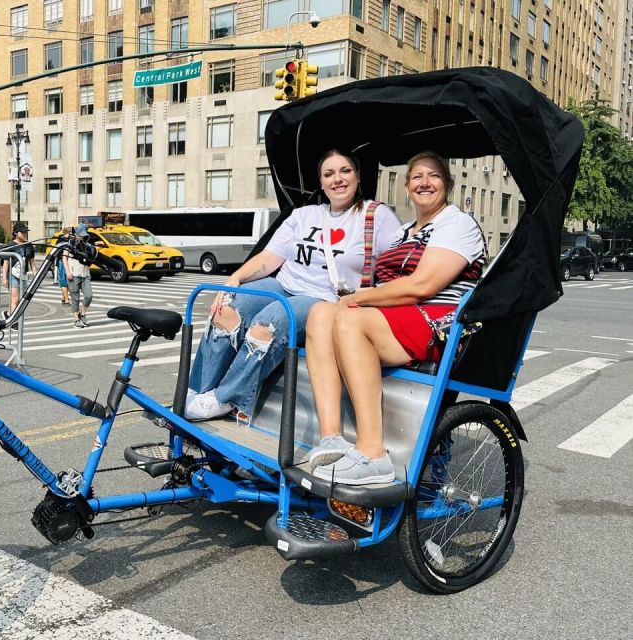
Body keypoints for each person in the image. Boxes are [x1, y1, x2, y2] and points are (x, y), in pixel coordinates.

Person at [305, 151, 487, 486]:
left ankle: (373, 453)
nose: (425, 183)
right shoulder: (405, 231)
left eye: (433, 176)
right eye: (417, 176)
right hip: (399, 316)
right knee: (320, 313)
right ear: (406, 187)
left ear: (448, 184)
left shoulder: (457, 224)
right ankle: (332, 438)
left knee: (349, 319)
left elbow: (421, 286)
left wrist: (357, 300)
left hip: (440, 321)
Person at [185, 149, 402, 423]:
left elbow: (398, 262)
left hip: (325, 299)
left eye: (345, 171)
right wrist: (234, 280)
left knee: (269, 322)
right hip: (283, 284)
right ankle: (195, 393)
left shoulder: (376, 216)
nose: (338, 179)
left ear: (358, 176)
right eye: (329, 174)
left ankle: (227, 398)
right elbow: (269, 257)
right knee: (227, 308)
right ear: (321, 183)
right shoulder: (304, 214)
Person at [1, 221, 36, 318]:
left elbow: (32, 261)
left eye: (26, 232)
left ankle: (8, 314)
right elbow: (6, 263)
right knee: (15, 299)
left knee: (21, 299)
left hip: (23, 275)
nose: (25, 234)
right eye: (22, 232)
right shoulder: (10, 245)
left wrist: (35, 274)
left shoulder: (29, 245)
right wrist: (4, 277)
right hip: (12, 275)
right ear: (16, 233)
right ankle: (13, 321)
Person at [63, 224, 94, 328]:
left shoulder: (87, 245)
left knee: (89, 295)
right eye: (81, 235)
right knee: (75, 298)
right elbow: (64, 258)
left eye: (84, 235)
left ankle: (83, 313)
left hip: (85, 274)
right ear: (76, 234)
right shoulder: (70, 244)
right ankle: (76, 319)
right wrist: (68, 272)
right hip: (74, 274)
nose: (82, 237)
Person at [54, 227, 72, 306]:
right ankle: (66, 300)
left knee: (63, 280)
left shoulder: (59, 240)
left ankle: (64, 298)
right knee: (64, 281)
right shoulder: (65, 240)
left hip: (61, 261)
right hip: (63, 261)